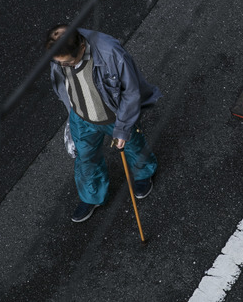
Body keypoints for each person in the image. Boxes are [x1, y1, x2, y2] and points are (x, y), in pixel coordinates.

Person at [46, 24, 160, 222]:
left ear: (82, 48)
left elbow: (131, 93)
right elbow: (63, 86)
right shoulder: (59, 55)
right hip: (81, 117)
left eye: (68, 63)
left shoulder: (111, 53)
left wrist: (122, 128)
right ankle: (92, 196)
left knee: (133, 145)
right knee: (86, 158)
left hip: (114, 117)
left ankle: (143, 174)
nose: (62, 66)